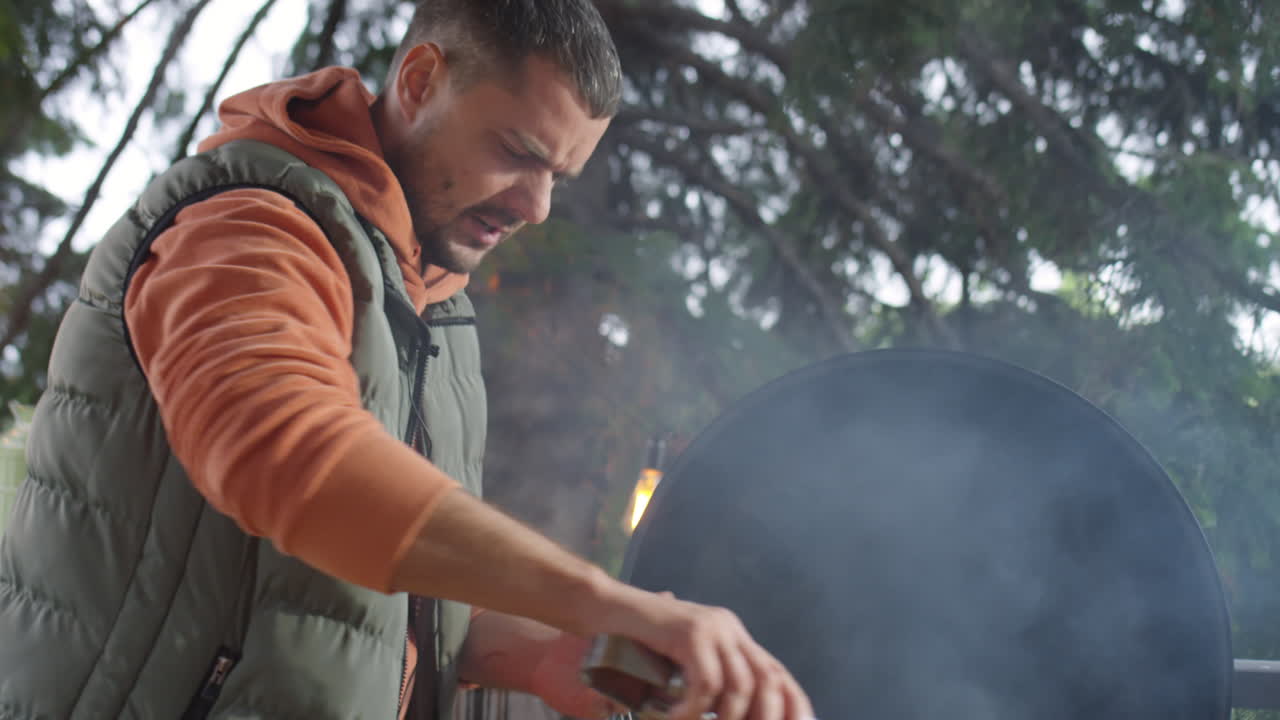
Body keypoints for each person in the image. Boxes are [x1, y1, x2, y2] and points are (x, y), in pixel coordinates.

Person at [0, 1, 816, 719]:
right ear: (421, 79)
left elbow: (372, 594)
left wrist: (537, 657)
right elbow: (289, 458)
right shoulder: (247, 230)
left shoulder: (436, 306)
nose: (536, 206)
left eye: (559, 175)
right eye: (519, 150)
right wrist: (605, 603)